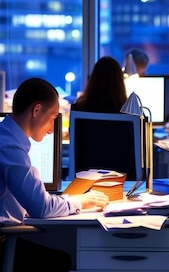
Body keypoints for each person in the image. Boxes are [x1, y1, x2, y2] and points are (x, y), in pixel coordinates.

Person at [0, 77, 110, 271]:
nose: (52, 129)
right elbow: (41, 207)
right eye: (52, 118)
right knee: (60, 261)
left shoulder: (6, 137)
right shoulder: (10, 148)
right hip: (2, 244)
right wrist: (82, 201)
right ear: (36, 110)